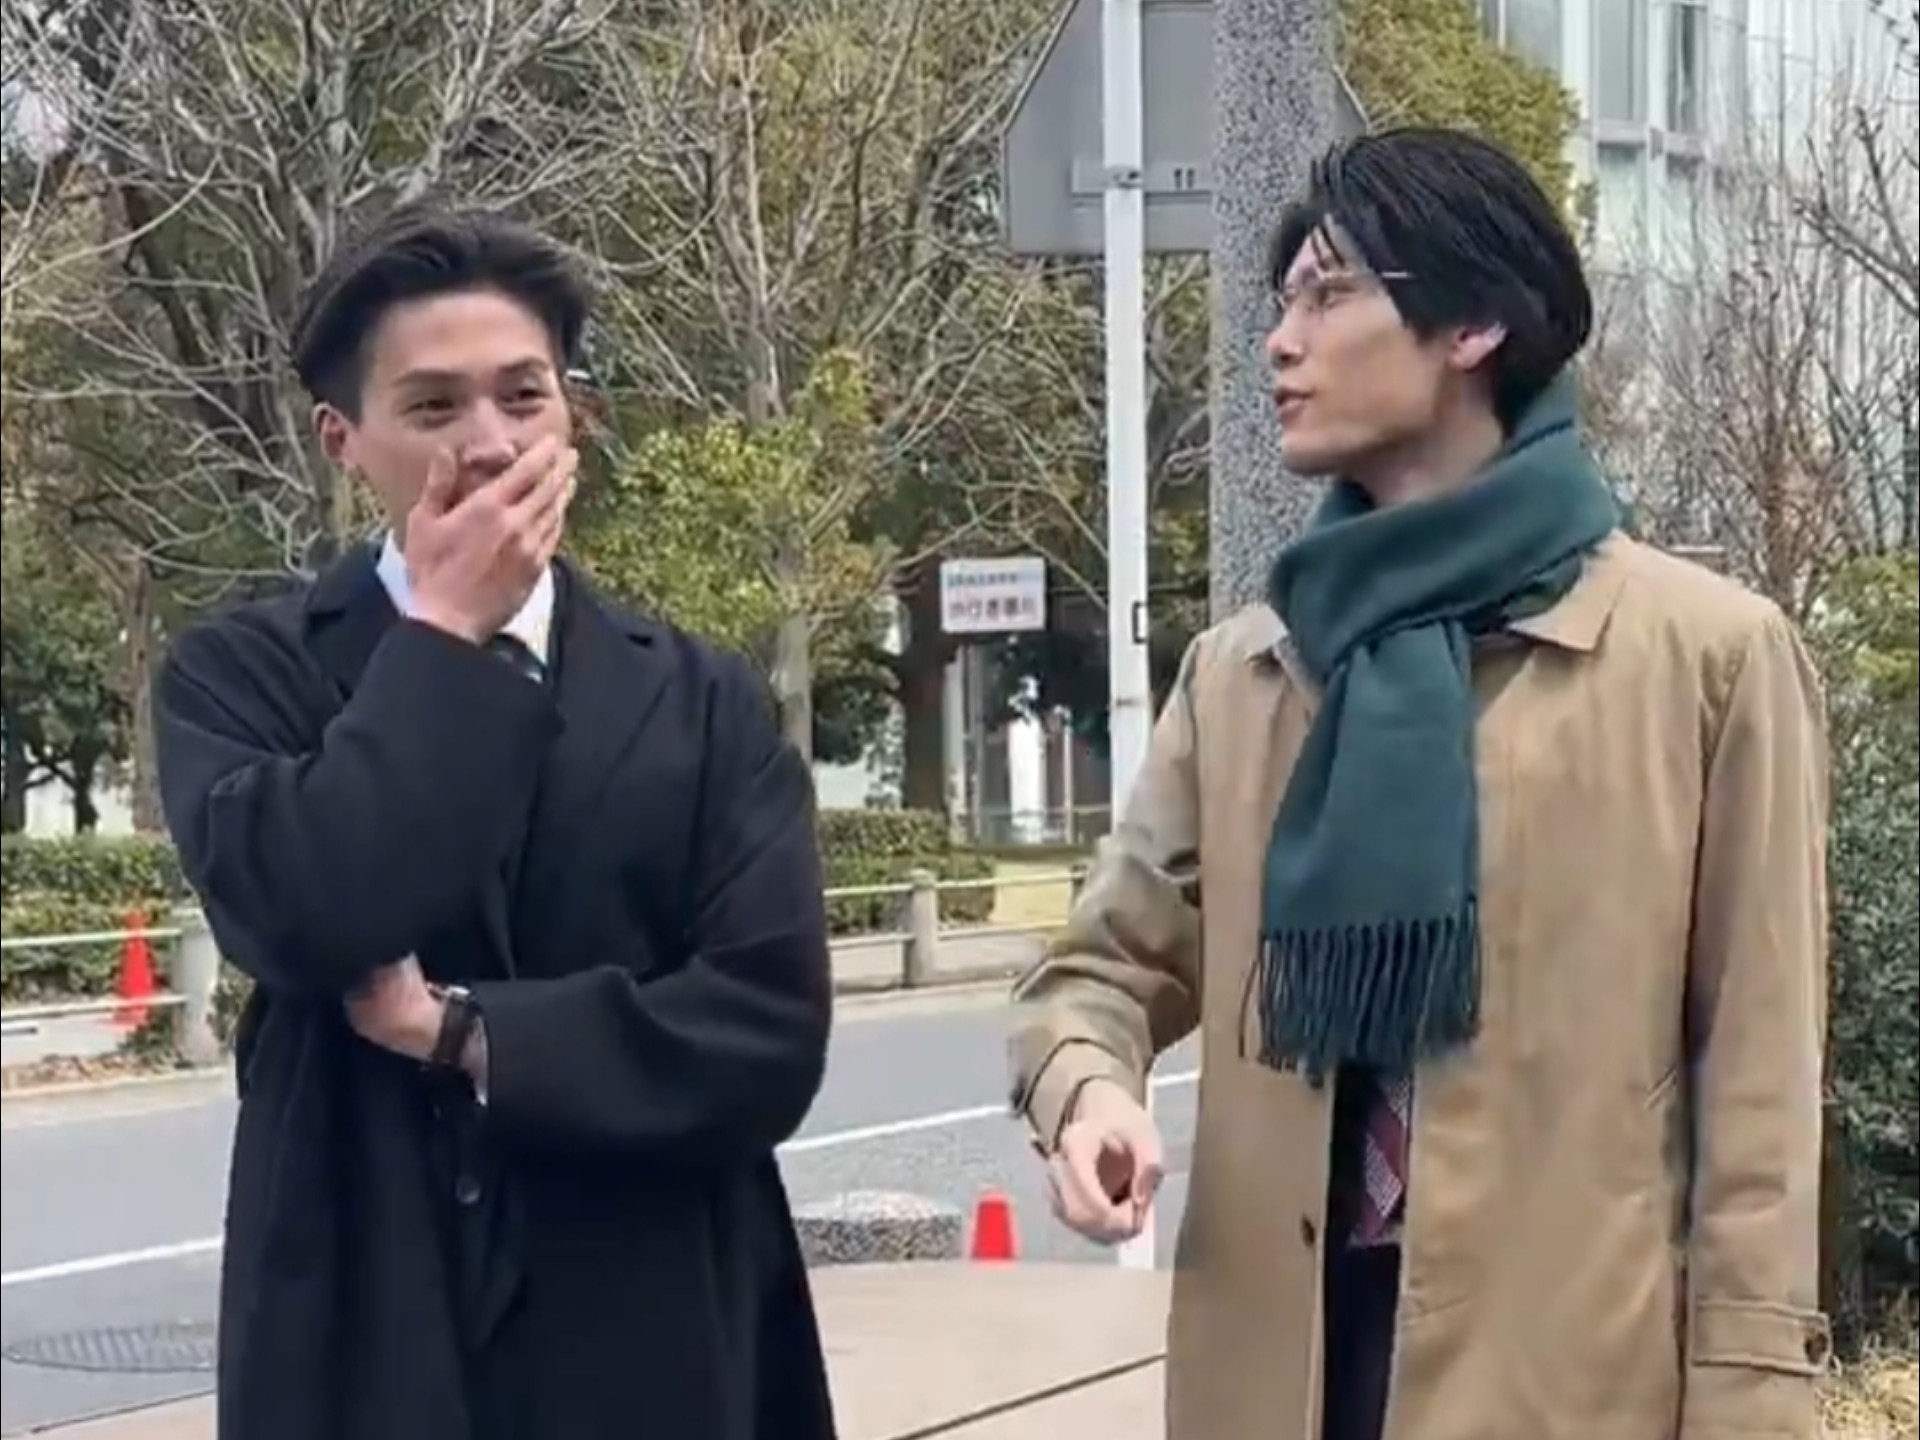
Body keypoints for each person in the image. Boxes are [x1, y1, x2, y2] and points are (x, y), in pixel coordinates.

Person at [1008, 127, 1832, 1440]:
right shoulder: (1246, 674)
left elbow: (1759, 1094)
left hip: (1567, 1390)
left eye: (1328, 293)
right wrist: (1088, 1090)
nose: (1279, 341)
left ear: (1472, 328)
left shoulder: (1707, 661)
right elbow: (1101, 969)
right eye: (1282, 300)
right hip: (1277, 1378)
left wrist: (1751, 1405)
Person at [155, 204, 839, 1440]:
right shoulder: (243, 675)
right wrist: (443, 636)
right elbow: (307, 910)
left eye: (525, 397)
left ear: (573, 414)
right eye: (432, 407)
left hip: (656, 1324)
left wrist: (467, 1033)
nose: (489, 444)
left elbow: (765, 1030)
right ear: (342, 440)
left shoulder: (700, 699)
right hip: (367, 1314)